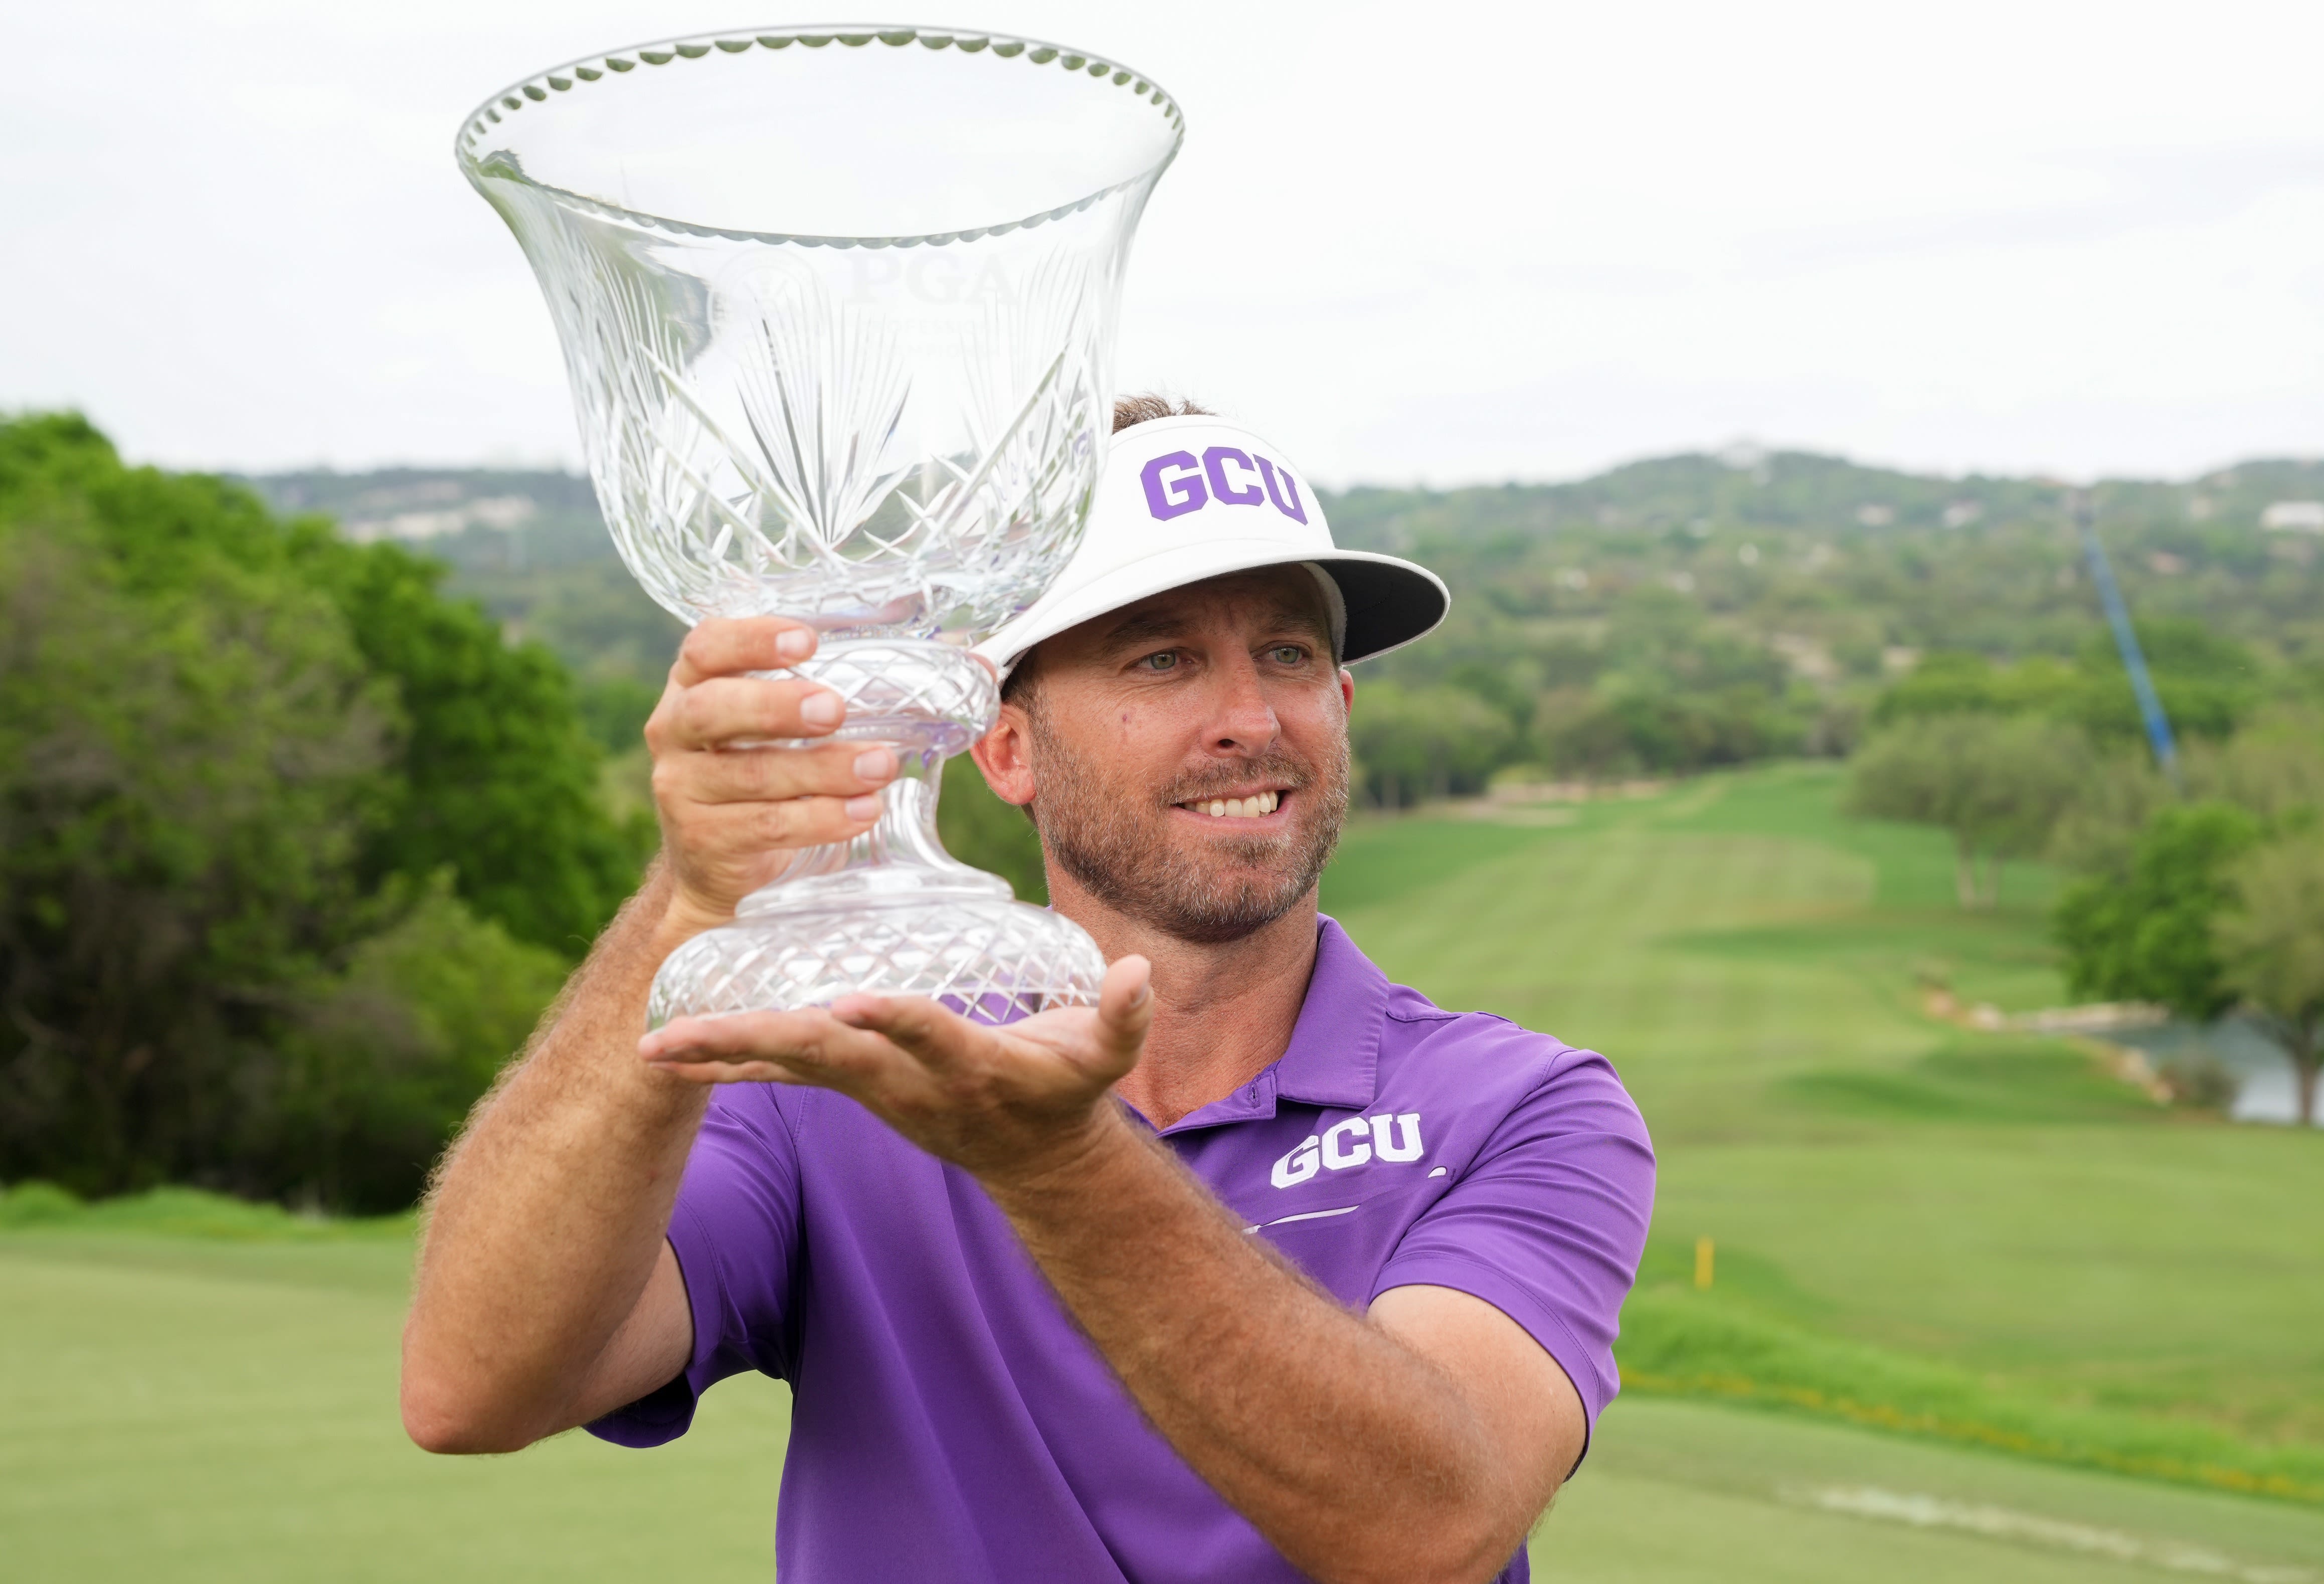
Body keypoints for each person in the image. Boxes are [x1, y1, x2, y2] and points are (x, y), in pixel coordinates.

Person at [400, 398, 1657, 1584]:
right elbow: (473, 1386)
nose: (1247, 716)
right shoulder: (840, 1073)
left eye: (1288, 651)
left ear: (1341, 701)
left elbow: (1430, 1527)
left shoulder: (1522, 1107)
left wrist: (1053, 1164)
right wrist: (692, 900)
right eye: (1161, 659)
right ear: (1002, 745)